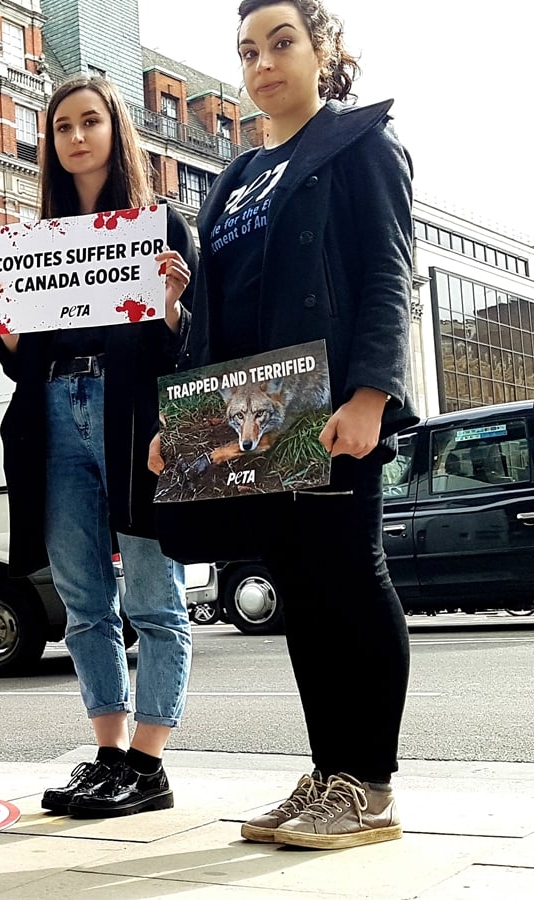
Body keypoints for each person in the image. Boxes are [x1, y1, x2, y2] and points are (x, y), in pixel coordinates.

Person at [158, 0, 417, 849]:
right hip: (256, 416)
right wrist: (183, 418)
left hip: (333, 404)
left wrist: (371, 393)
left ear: (321, 50)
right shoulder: (234, 180)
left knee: (351, 574)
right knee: (302, 593)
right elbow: (217, 313)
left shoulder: (359, 143)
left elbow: (387, 273)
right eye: (247, 51)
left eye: (281, 43)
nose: (263, 63)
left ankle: (368, 786)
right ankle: (331, 771)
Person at [0, 75, 197, 819]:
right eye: (61, 126)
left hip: (131, 411)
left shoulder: (160, 227)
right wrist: (4, 333)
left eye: (89, 121)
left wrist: (173, 312)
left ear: (115, 130)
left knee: (153, 593)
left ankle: (149, 761)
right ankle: (108, 753)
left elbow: (185, 347)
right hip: (53, 409)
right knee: (81, 596)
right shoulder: (37, 239)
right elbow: (20, 359)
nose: (75, 136)